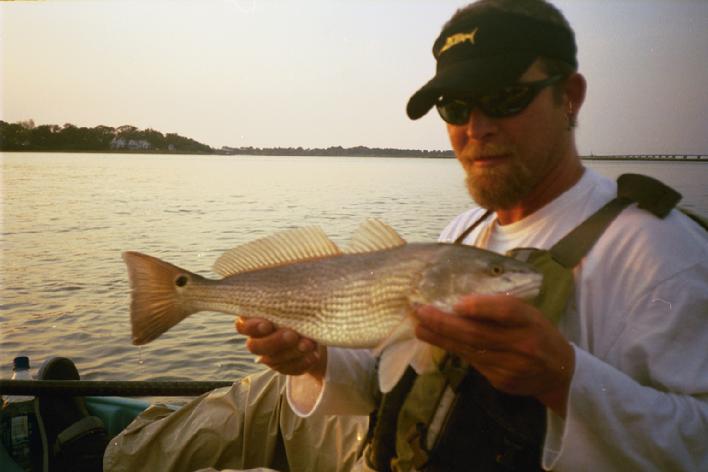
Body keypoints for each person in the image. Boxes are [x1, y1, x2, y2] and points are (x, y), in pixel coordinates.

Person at [237, 0, 708, 470]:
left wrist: (563, 380)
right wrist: (315, 358)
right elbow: (397, 373)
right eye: (455, 106)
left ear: (570, 96)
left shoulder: (658, 250)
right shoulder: (465, 232)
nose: (476, 128)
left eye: (505, 97)